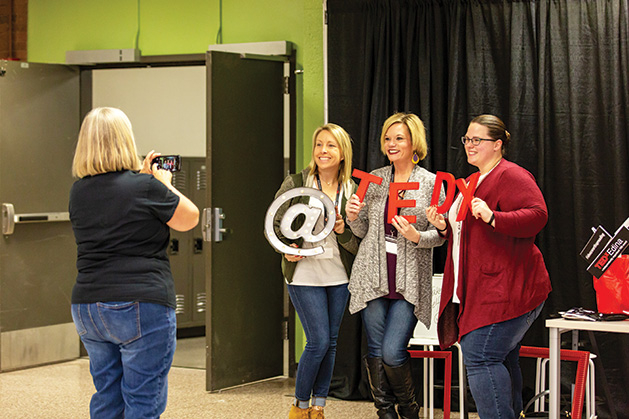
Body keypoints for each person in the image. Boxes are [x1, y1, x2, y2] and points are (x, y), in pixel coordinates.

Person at [69, 107, 199, 418]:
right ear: (126, 140)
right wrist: (164, 182)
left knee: (107, 395)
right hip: (141, 303)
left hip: (89, 307)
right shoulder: (145, 187)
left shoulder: (79, 191)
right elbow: (189, 218)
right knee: (142, 401)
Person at [426, 114, 552, 419]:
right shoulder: (470, 181)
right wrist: (443, 226)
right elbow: (468, 234)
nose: (469, 145)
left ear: (497, 144)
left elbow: (538, 215)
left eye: (477, 140)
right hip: (481, 289)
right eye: (467, 139)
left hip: (509, 287)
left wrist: (496, 217)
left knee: (480, 354)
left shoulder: (512, 175)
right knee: (502, 356)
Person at [346, 112, 445, 419]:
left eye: (399, 138)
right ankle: (386, 413)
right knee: (376, 350)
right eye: (388, 138)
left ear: (414, 141)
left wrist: (418, 235)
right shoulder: (374, 180)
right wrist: (352, 216)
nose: (391, 144)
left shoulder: (430, 183)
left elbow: (441, 235)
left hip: (409, 280)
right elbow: (361, 232)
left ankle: (410, 411)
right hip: (372, 275)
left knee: (392, 351)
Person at [274, 123, 359, 419]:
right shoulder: (297, 182)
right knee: (319, 340)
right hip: (303, 273)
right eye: (319, 145)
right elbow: (275, 222)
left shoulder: (353, 190)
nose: (324, 151)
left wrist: (343, 230)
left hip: (339, 275)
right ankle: (298, 407)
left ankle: (318, 407)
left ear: (342, 153)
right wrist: (285, 247)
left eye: (331, 145)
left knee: (331, 343)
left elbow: (360, 242)